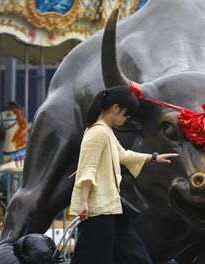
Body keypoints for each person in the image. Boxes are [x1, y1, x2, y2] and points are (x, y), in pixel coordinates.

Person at [69, 87, 179, 264]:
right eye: (126, 115)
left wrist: (154, 157)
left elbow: (124, 156)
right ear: (115, 108)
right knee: (94, 258)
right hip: (98, 209)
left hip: (112, 206)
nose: (126, 119)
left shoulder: (106, 132)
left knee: (134, 256)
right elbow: (88, 169)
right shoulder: (98, 132)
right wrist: (83, 202)